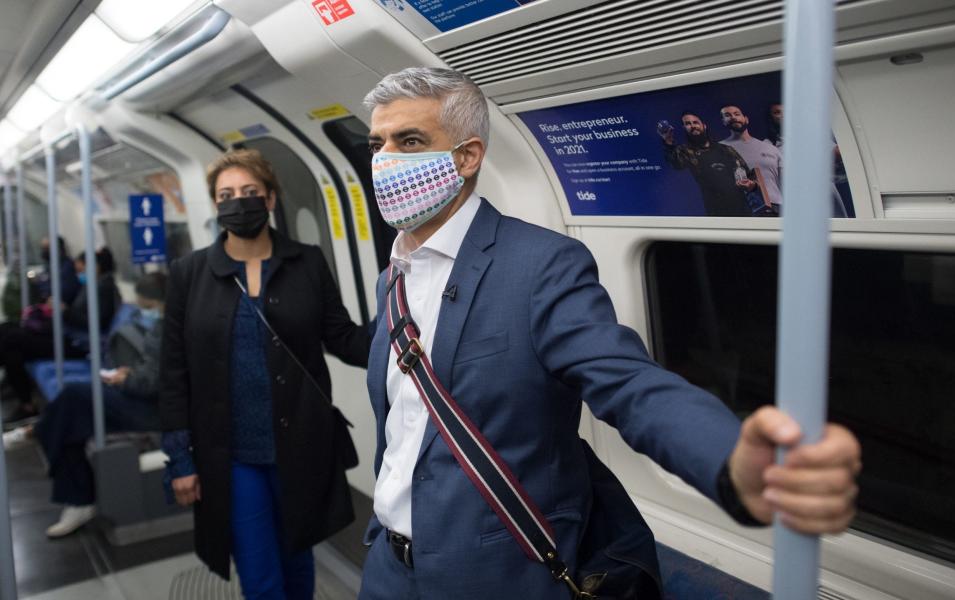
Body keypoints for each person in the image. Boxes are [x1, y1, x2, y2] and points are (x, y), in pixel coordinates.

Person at [357, 67, 861, 599]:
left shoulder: (539, 265)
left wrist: (730, 459)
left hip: (494, 574)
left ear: (466, 156)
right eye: (377, 144)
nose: (385, 160)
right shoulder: (392, 279)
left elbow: (626, 381)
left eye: (409, 141)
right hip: (388, 568)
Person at [160, 149, 371, 599]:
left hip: (300, 448)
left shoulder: (307, 262)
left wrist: (403, 322)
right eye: (227, 195)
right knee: (262, 579)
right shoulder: (188, 274)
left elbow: (343, 338)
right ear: (216, 205)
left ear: (270, 199)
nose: (239, 202)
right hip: (232, 456)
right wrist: (180, 460)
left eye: (250, 192)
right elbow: (173, 372)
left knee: (298, 565)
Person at [2, 272, 167, 537]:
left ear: (163, 303)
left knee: (74, 399)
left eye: (147, 307)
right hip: (147, 398)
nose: (144, 313)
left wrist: (125, 378)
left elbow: (150, 383)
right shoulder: (164, 325)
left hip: (157, 411)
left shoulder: (169, 328)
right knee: (72, 417)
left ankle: (37, 433)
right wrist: (129, 375)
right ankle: (76, 498)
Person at [0, 246, 120, 422]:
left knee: (12, 342)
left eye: (82, 269)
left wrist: (64, 311)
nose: (80, 273)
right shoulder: (92, 285)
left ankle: (25, 401)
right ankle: (19, 389)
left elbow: (94, 324)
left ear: (95, 267)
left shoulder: (103, 289)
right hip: (68, 334)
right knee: (7, 330)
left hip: (78, 343)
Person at [659, 111, 755, 216]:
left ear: (704, 126)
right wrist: (668, 140)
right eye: (688, 124)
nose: (692, 126)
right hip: (715, 213)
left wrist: (751, 184)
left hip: (744, 210)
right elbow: (676, 164)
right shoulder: (686, 151)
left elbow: (748, 174)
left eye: (695, 122)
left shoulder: (726, 149)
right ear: (684, 128)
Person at [764, 102, 849, 218]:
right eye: (777, 112)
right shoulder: (767, 146)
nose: (783, 115)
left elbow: (837, 151)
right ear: (770, 118)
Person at [720, 104, 784, 215]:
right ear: (723, 121)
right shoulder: (718, 149)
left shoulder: (771, 148)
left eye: (737, 114)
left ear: (746, 119)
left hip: (778, 209)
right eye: (727, 115)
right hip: (743, 210)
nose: (733, 117)